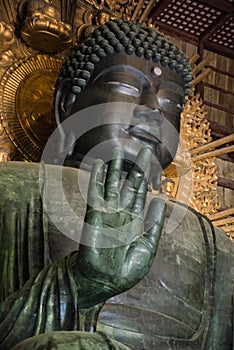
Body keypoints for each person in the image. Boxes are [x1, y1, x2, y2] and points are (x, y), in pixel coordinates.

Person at [0, 19, 233, 350]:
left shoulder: (214, 246)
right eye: (125, 87)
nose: (152, 111)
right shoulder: (9, 189)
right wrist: (78, 285)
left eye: (171, 104)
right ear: (67, 102)